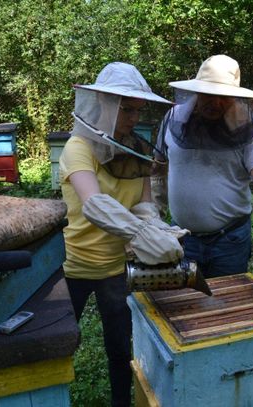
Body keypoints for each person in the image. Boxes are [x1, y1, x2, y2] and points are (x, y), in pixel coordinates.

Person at [59, 62, 188, 407]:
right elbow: (95, 204)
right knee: (58, 348)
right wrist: (142, 233)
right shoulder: (78, 148)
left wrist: (160, 231)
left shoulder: (137, 151)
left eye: (137, 110)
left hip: (117, 269)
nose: (133, 117)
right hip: (74, 267)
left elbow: (145, 205)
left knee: (120, 348)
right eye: (126, 109)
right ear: (102, 102)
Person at [154, 54, 253, 277]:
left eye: (223, 96)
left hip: (230, 241)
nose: (215, 103)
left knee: (228, 304)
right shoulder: (173, 118)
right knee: (185, 306)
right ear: (196, 90)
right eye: (208, 94)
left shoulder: (248, 126)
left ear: (234, 97)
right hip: (180, 237)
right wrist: (152, 219)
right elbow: (157, 169)